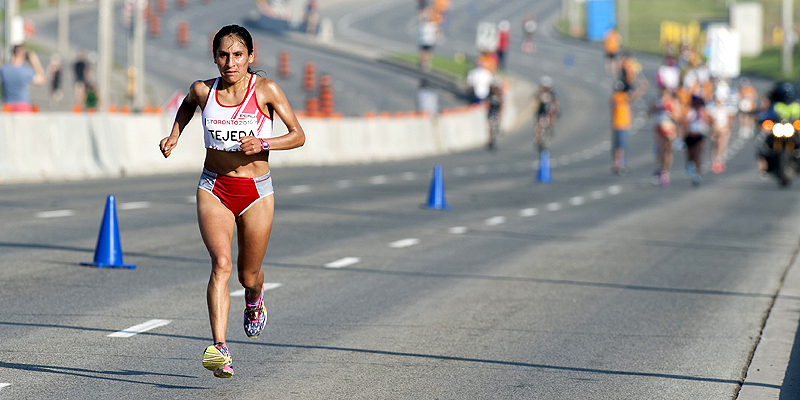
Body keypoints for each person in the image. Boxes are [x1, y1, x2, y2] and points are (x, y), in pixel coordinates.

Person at [159, 24, 305, 379]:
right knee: (221, 264)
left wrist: (264, 144)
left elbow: (298, 135)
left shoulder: (265, 90)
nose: (230, 62)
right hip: (214, 188)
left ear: (251, 57)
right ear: (215, 57)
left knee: (246, 274)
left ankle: (255, 299)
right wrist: (175, 135)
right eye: (223, 55)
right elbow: (187, 106)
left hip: (256, 193)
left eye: (238, 55)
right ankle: (219, 348)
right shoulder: (202, 89)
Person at [610, 79, 647, 174]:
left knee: (618, 147)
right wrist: (642, 88)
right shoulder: (619, 97)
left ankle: (617, 165)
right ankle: (620, 165)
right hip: (620, 125)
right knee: (620, 147)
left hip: (618, 125)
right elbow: (633, 96)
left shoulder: (616, 97)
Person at [0, 44, 45, 111]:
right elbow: (41, 80)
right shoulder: (25, 71)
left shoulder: (4, 69)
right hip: (22, 106)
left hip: (7, 107)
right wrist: (35, 61)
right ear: (23, 55)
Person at [683, 96, 710, 186]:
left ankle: (697, 175)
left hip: (699, 136)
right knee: (690, 155)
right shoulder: (689, 111)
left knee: (698, 155)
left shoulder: (703, 112)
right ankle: (690, 165)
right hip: (690, 135)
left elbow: (709, 121)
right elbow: (685, 123)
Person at [534, 76, 559, 153]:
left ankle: (551, 128)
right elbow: (535, 99)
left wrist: (555, 110)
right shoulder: (539, 92)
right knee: (539, 124)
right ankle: (538, 138)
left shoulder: (552, 93)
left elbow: (556, 103)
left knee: (551, 116)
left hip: (549, 110)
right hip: (541, 110)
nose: (546, 88)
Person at [486, 79, 503, 151]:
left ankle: (495, 136)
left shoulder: (499, 96)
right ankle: (490, 141)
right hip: (491, 113)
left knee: (496, 126)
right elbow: (487, 105)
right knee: (490, 127)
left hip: (496, 113)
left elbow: (501, 106)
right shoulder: (489, 95)